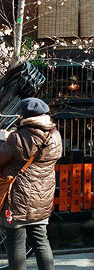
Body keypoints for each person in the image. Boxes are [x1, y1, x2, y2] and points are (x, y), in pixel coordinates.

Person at [0, 98, 62, 270]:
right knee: (41, 241)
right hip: (42, 198)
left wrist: (4, 139)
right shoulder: (55, 135)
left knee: (16, 243)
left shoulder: (19, 137)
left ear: (24, 115)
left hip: (18, 199)